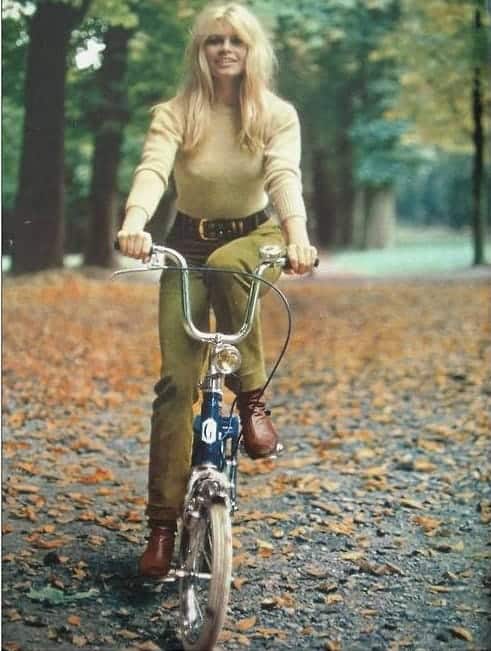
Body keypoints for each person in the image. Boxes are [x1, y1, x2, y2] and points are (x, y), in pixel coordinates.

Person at [117, 1, 317, 578]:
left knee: (231, 263)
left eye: (236, 40)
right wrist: (135, 222)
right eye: (213, 40)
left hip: (256, 237)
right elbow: (153, 170)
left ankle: (250, 397)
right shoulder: (176, 113)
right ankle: (162, 525)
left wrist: (298, 237)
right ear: (199, 50)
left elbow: (282, 175)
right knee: (176, 386)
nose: (225, 49)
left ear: (252, 51)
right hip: (187, 242)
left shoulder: (275, 114)